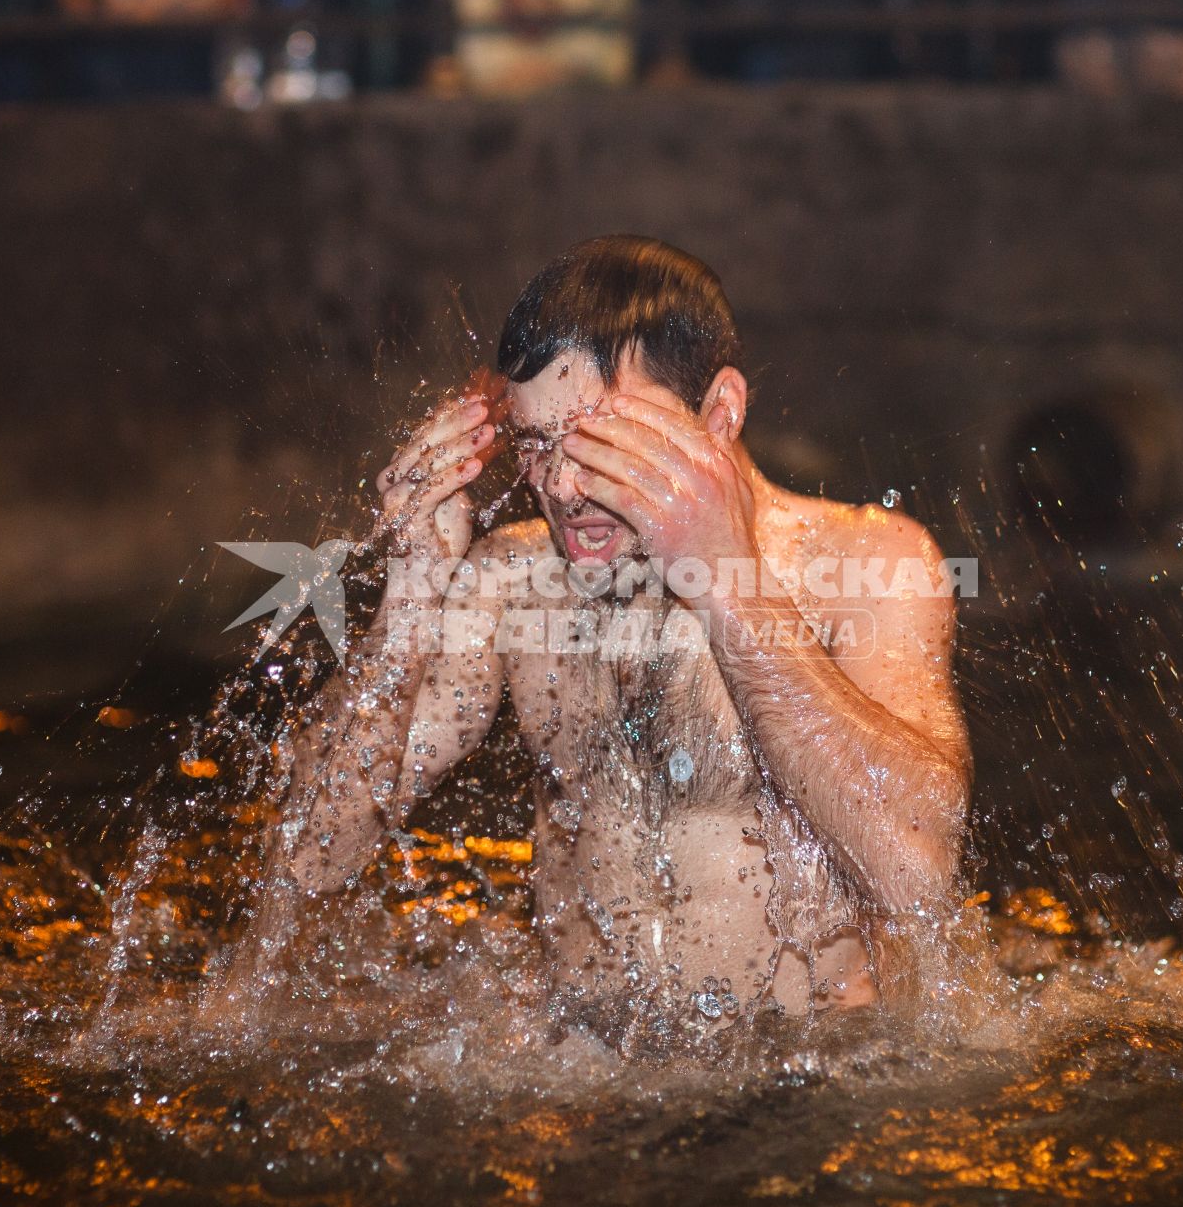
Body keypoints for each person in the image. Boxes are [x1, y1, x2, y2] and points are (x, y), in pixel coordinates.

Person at [273, 235, 970, 1045]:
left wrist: (724, 581)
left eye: (605, 445)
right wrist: (412, 591)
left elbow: (915, 874)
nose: (564, 489)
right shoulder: (513, 583)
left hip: (809, 1070)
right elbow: (309, 858)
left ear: (719, 415)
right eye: (536, 446)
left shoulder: (870, 565)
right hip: (590, 1071)